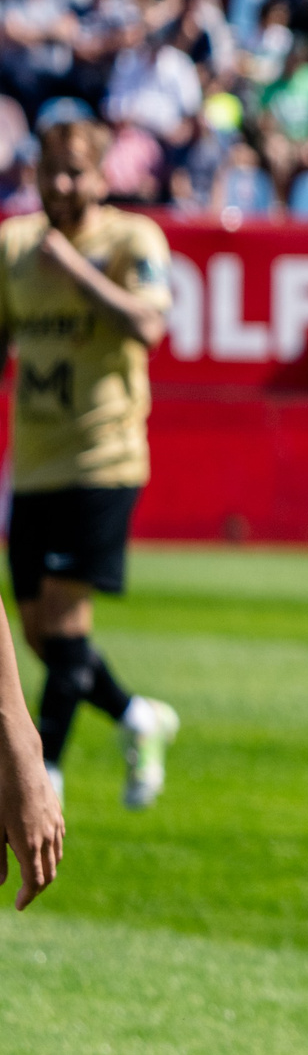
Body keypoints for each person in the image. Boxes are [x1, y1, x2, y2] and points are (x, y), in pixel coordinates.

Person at [1, 119, 182, 811]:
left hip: (104, 455)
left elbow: (149, 325)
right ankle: (137, 714)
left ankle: (44, 772)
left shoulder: (132, 240)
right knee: (40, 630)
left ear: (104, 177)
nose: (62, 183)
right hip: (36, 463)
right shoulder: (12, 246)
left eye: (76, 171)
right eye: (51, 169)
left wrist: (73, 271)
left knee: (66, 618)